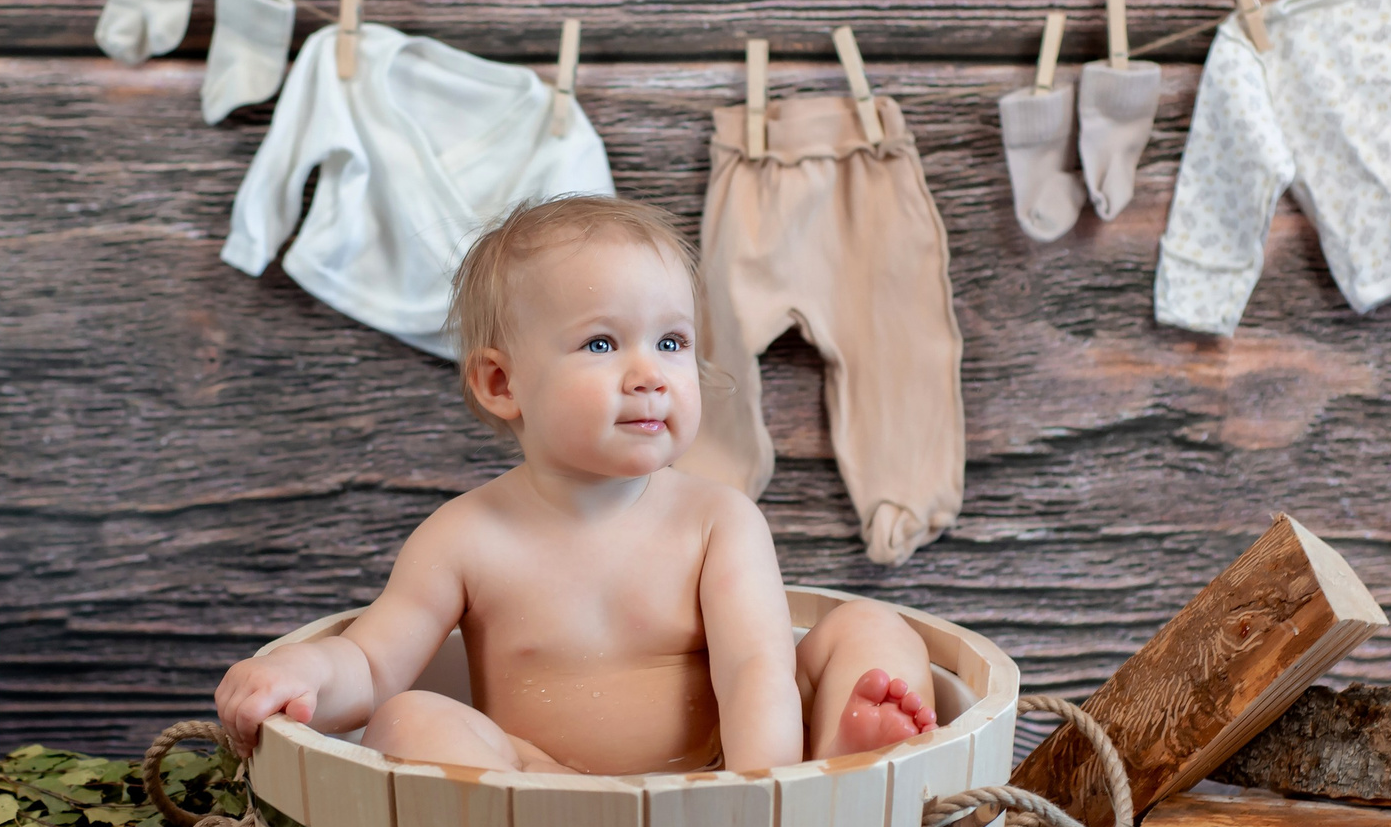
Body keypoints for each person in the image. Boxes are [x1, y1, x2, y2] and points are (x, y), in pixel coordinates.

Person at [215, 196, 939, 775]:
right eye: (601, 343)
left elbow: (756, 668)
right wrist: (297, 668)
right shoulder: (466, 537)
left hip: (723, 774)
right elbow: (371, 662)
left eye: (671, 341)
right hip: (542, 787)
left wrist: (759, 794)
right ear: (502, 382)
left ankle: (846, 774)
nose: (649, 372)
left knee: (872, 629)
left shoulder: (717, 519)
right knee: (405, 718)